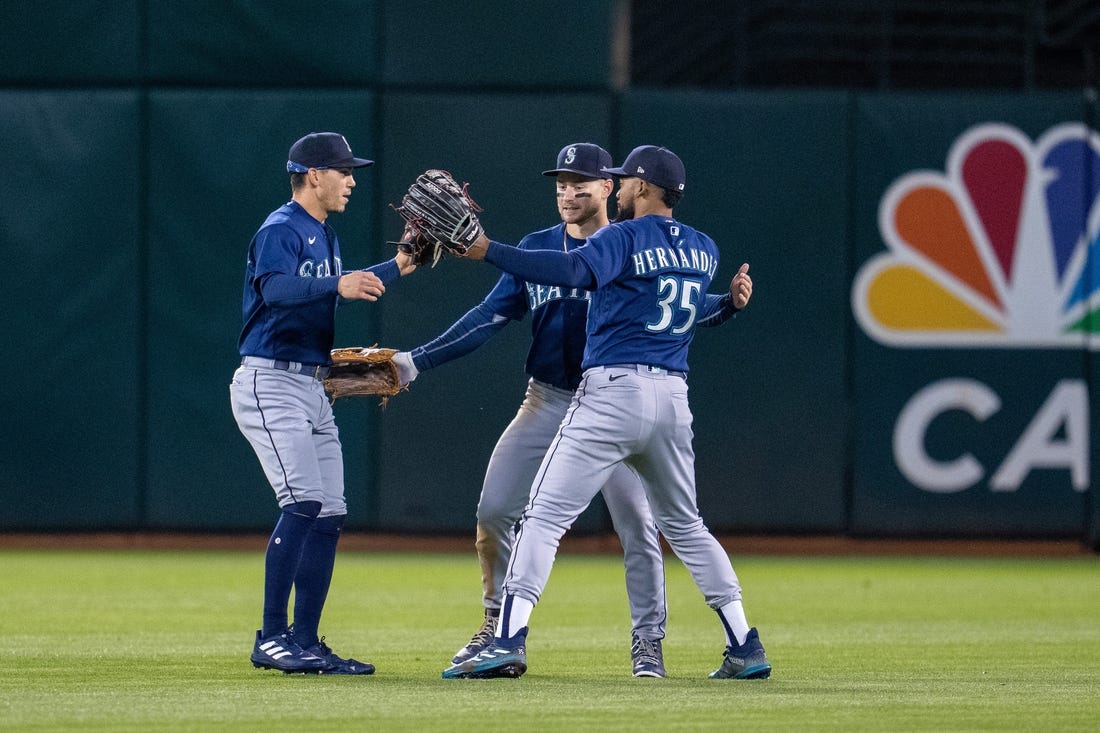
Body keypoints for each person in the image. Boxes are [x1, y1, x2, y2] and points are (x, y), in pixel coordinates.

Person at [442, 145, 770, 680]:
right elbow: (675, 305)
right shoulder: (703, 248)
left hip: (612, 393)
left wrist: (488, 250)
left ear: (642, 187)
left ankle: (507, 638)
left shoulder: (620, 237)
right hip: (672, 397)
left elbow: (573, 270)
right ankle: (744, 643)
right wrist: (728, 304)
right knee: (686, 526)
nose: (618, 188)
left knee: (543, 517)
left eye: (624, 181)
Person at [392, 143, 670, 677]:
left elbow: (677, 306)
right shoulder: (537, 248)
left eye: (580, 184)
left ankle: (648, 640)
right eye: (561, 184)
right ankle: (497, 626)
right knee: (495, 511)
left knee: (638, 526)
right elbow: (488, 317)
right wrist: (415, 361)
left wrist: (722, 307)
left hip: (613, 404)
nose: (567, 193)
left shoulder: (630, 244)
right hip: (547, 400)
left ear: (608, 187)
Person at [230, 132, 417, 675]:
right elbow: (274, 290)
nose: (352, 181)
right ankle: (271, 638)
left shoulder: (324, 235)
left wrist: (399, 264)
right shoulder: (281, 229)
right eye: (344, 171)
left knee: (330, 512)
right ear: (314, 175)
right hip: (270, 382)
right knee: (302, 503)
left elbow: (347, 286)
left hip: (313, 384)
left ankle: (306, 641)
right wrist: (338, 286)